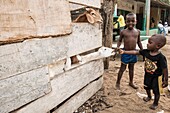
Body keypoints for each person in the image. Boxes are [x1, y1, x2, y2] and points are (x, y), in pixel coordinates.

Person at [119, 34, 168, 110]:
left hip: (157, 77)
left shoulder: (161, 57)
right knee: (146, 87)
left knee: (156, 91)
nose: (147, 44)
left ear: (157, 46)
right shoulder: (146, 52)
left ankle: (155, 103)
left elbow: (165, 69)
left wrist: (166, 80)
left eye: (150, 42)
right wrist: (124, 52)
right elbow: (135, 52)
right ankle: (149, 96)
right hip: (147, 75)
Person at [115, 13, 143, 89]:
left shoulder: (137, 31)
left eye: (132, 21)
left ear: (136, 21)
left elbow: (139, 42)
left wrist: (142, 50)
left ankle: (131, 82)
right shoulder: (123, 32)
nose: (130, 23)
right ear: (125, 22)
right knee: (122, 68)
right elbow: (120, 40)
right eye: (128, 21)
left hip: (134, 53)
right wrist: (118, 47)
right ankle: (118, 82)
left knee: (131, 68)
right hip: (125, 53)